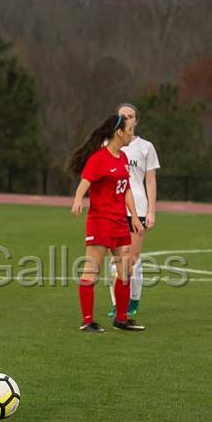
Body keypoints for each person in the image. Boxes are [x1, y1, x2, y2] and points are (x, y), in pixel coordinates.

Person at [69, 113, 146, 333]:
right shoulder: (98, 159)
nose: (131, 134)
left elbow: (127, 189)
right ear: (118, 133)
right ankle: (87, 321)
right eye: (129, 130)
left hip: (120, 222)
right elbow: (85, 182)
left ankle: (121, 319)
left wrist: (135, 217)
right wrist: (77, 201)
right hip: (100, 222)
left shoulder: (122, 158)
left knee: (125, 270)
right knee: (91, 269)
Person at [106, 102, 159, 319]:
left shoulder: (145, 147)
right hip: (113, 209)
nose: (126, 119)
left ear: (136, 120)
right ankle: (117, 305)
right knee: (115, 261)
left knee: (133, 258)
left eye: (130, 115)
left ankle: (133, 300)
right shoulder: (107, 145)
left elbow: (150, 181)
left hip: (138, 208)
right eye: (122, 116)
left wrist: (152, 210)